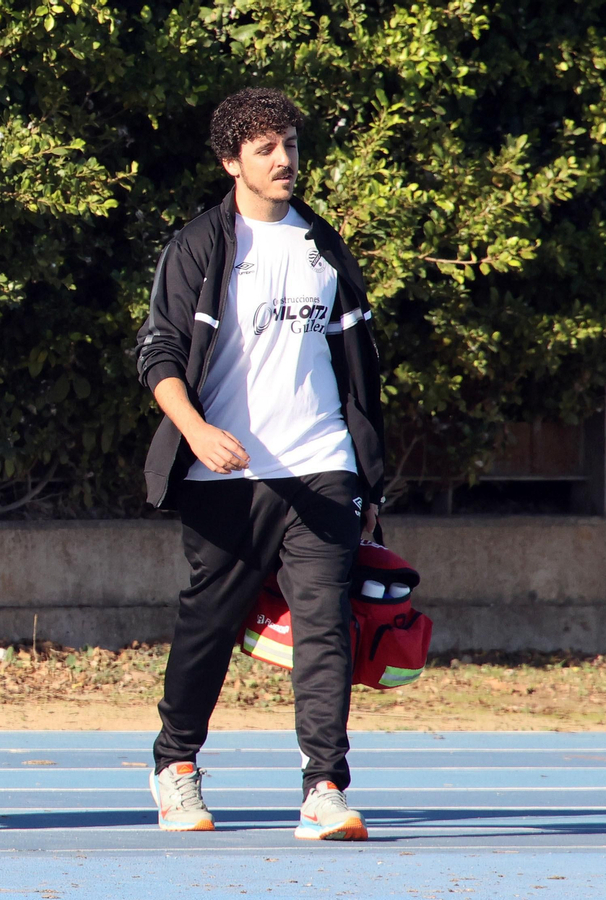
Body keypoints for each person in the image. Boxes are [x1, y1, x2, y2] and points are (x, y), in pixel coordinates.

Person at [136, 87, 386, 840]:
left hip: (320, 466)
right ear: (231, 162)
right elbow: (158, 354)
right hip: (227, 474)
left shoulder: (323, 247)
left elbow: (359, 372)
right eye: (266, 149)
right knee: (207, 627)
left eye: (291, 147)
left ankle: (324, 787)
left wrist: (368, 479)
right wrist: (195, 428)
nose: (284, 161)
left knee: (324, 628)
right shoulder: (199, 247)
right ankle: (176, 767)